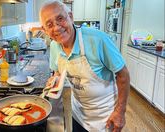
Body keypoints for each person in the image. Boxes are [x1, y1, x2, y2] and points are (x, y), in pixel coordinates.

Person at [39, 1, 130, 132]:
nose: (57, 28)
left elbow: (123, 75)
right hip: (78, 114)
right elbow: (58, 72)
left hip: (105, 118)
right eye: (49, 24)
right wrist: (55, 80)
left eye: (60, 18)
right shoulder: (54, 46)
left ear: (70, 16)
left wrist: (120, 112)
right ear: (45, 30)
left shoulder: (98, 40)